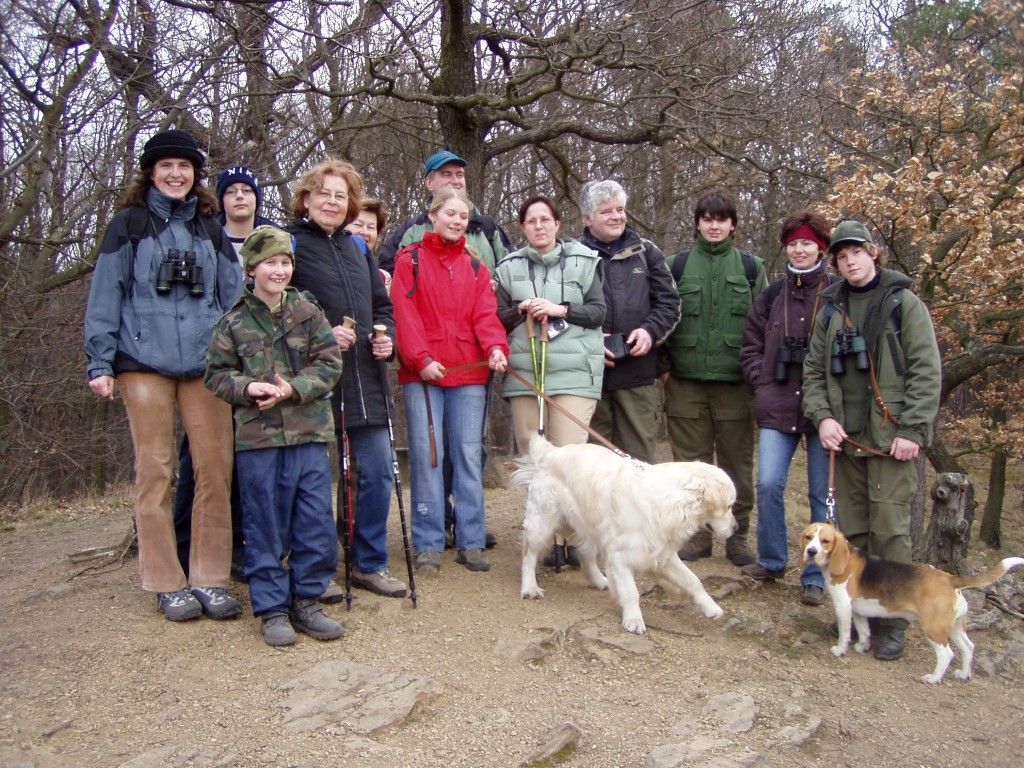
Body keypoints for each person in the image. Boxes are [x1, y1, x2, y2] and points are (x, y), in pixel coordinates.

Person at [84, 128, 243, 622]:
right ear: (151, 172)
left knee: (215, 467)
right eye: (166, 165)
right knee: (155, 470)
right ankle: (165, 580)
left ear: (196, 175)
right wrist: (100, 362)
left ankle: (209, 576)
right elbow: (106, 295)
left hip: (205, 364)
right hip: (141, 362)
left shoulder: (210, 227)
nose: (176, 174)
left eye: (186, 166)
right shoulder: (127, 225)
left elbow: (235, 297)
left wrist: (237, 353)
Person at [802, 219, 941, 660]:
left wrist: (913, 430)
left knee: (891, 531)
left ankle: (894, 621)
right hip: (847, 437)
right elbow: (813, 371)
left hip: (891, 436)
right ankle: (858, 611)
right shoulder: (829, 310)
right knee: (855, 531)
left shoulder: (904, 304)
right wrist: (822, 418)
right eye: (841, 258)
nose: (850, 262)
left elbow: (926, 369)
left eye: (856, 253)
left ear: (873, 252)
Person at [205, 226, 344, 646]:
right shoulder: (231, 321)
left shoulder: (308, 311)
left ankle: (307, 600)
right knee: (263, 522)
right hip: (258, 440)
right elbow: (215, 375)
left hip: (309, 433)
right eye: (270, 263)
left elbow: (328, 363)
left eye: (285, 262)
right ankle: (272, 609)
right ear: (251, 269)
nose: (279, 270)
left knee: (315, 522)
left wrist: (292, 388)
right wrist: (248, 388)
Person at [288, 159, 409, 599]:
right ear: (306, 198)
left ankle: (368, 562)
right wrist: (319, 335)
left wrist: (387, 341)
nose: (332, 202)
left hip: (366, 381)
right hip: (314, 386)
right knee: (316, 484)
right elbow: (276, 311)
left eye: (341, 196)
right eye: (324, 193)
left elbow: (383, 308)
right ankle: (316, 571)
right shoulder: (291, 245)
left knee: (376, 473)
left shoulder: (359, 249)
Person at [379, 149, 510, 548]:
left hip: (470, 372)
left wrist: (496, 348)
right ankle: (429, 541)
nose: (456, 221)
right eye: (449, 214)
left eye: (463, 217)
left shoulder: (476, 266)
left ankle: (471, 540)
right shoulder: (410, 260)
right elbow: (405, 313)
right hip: (424, 375)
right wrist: (421, 361)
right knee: (427, 457)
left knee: (469, 455)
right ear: (433, 216)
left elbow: (486, 314)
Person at [174, 164, 277, 581]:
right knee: (203, 456)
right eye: (231, 191)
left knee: (252, 454)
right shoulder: (204, 234)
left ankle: (244, 544)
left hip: (262, 359)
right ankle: (187, 546)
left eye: (246, 191)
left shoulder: (272, 241)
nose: (239, 197)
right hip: (214, 360)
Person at [494, 195, 606, 568]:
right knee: (534, 458)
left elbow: (598, 312)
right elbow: (497, 318)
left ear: (558, 224)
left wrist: (560, 309)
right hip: (527, 373)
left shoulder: (586, 261)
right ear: (522, 227)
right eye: (531, 221)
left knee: (569, 457)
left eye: (545, 219)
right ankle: (540, 538)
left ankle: (572, 541)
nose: (539, 226)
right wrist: (521, 309)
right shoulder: (507, 268)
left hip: (575, 374)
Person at [738, 209, 835, 605]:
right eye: (793, 244)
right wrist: (761, 379)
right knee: (768, 483)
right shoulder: (772, 294)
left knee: (820, 494)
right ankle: (773, 559)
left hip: (822, 410)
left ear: (820, 248)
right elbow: (750, 343)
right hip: (777, 404)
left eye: (807, 243)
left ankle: (816, 576)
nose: (799, 250)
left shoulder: (835, 292)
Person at [666, 191, 766, 568]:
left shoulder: (751, 267)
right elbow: (661, 317)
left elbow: (763, 328)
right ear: (697, 223)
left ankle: (737, 536)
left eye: (721, 219)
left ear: (733, 224)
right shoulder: (676, 265)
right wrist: (663, 366)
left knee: (736, 464)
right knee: (690, 466)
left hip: (735, 385)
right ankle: (695, 535)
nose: (713, 225)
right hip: (686, 382)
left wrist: (758, 377)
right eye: (706, 219)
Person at [578, 180, 680, 464]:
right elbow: (562, 312)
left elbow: (670, 304)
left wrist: (649, 332)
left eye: (620, 209)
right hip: (588, 378)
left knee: (638, 465)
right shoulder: (572, 255)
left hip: (638, 375)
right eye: (606, 211)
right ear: (587, 218)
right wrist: (590, 342)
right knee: (593, 469)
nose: (617, 216)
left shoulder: (647, 252)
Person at [378, 149, 511, 273]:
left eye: (459, 174)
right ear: (429, 183)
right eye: (446, 174)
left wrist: (497, 286)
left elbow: (511, 269)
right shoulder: (412, 230)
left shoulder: (487, 227)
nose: (455, 181)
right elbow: (389, 272)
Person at [347, 196, 392, 293]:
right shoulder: (329, 264)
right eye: (358, 225)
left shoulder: (382, 278)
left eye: (371, 227)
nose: (365, 232)